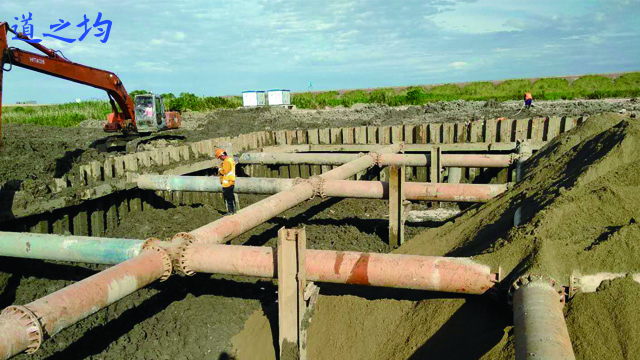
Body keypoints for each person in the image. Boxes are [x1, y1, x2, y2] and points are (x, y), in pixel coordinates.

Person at [215, 148, 236, 214]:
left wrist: (219, 169)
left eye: (220, 157)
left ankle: (230, 211)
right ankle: (233, 210)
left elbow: (225, 171)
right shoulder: (230, 159)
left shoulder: (226, 161)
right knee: (231, 196)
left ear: (222, 155)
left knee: (228, 197)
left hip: (227, 182)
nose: (220, 159)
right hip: (231, 181)